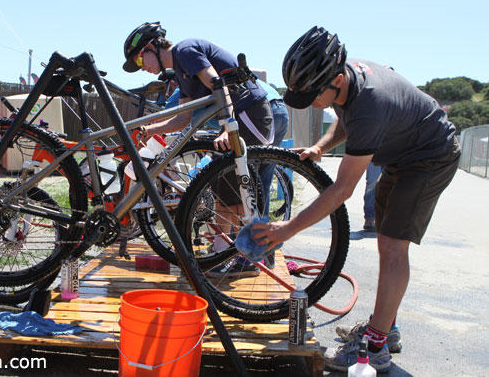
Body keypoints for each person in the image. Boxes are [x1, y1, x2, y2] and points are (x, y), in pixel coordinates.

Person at [252, 26, 460, 372]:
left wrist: (287, 229)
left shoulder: (371, 102)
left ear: (336, 79)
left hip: (430, 158)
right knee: (386, 242)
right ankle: (387, 328)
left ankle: (375, 346)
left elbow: (342, 190)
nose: (311, 103)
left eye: (313, 95)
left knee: (394, 247)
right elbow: (346, 120)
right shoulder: (346, 82)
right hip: (402, 156)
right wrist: (321, 146)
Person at [122, 21, 275, 278]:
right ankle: (227, 254)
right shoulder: (181, 71)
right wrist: (150, 129)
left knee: (237, 190)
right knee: (224, 188)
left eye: (139, 60)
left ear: (151, 47)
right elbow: (183, 119)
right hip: (237, 118)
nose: (142, 68)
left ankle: (246, 258)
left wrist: (228, 127)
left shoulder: (185, 51)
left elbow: (218, 84)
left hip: (250, 114)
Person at [363, 162, 381, 231]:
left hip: (394, 156)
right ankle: (369, 218)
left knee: (391, 184)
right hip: (375, 157)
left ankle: (386, 218)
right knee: (372, 182)